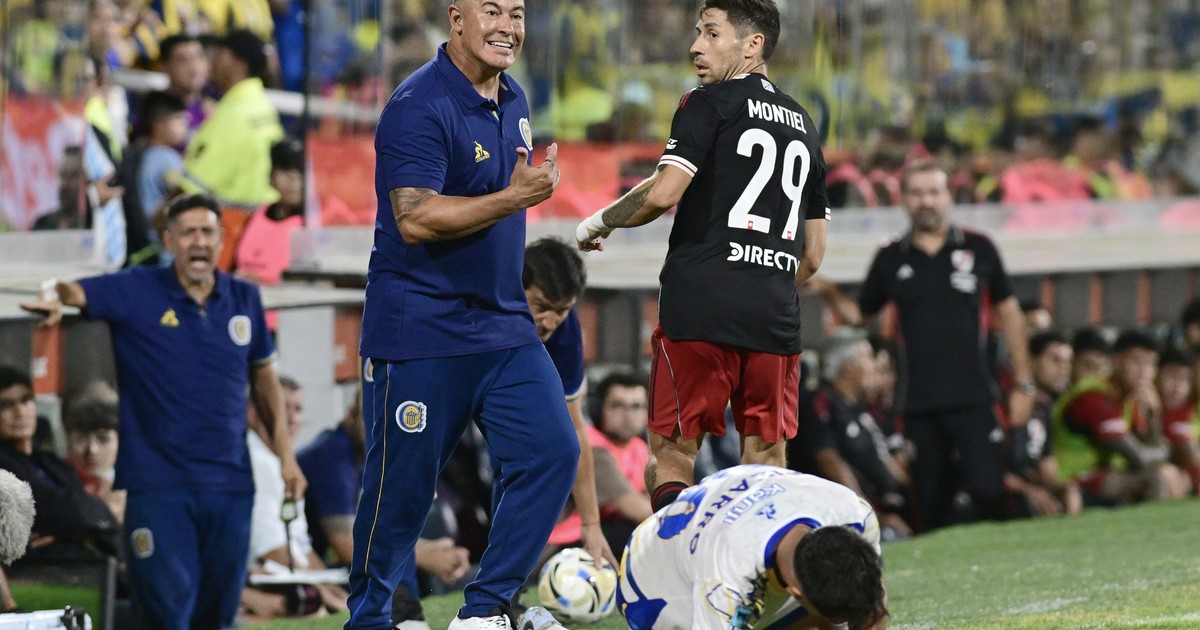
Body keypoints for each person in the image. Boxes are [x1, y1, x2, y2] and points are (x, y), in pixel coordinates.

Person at [350, 0, 576, 626]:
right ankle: (368, 619)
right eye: (492, 11)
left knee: (552, 451)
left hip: (502, 323)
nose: (508, 27)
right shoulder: (417, 104)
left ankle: (485, 610)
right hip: (420, 327)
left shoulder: (515, 99)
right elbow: (415, 218)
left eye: (518, 14)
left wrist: (513, 199)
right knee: (400, 493)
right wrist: (514, 197)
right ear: (456, 19)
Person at [574, 0, 830, 515]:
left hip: (700, 305)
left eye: (712, 33)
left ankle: (679, 555)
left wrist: (600, 221)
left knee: (672, 454)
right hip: (774, 315)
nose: (695, 46)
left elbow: (664, 192)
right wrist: (763, 282)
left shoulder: (706, 102)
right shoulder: (805, 125)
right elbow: (814, 254)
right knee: (767, 459)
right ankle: (754, 562)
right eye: (697, 32)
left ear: (752, 45)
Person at [19, 192, 306, 630]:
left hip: (230, 486)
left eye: (207, 232)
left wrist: (286, 457)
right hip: (158, 488)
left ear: (221, 239)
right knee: (168, 615)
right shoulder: (136, 289)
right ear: (168, 240)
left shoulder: (244, 298)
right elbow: (74, 289)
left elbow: (265, 381)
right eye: (187, 233)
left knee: (219, 617)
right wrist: (53, 295)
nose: (199, 242)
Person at [812, 159, 1034, 531]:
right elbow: (860, 314)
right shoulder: (890, 257)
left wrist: (1024, 383)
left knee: (990, 493)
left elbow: (1010, 314)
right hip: (918, 404)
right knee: (931, 508)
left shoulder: (979, 248)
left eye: (934, 192)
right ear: (903, 200)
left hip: (977, 397)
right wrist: (829, 289)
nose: (926, 201)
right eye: (916, 193)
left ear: (949, 196)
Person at [616, 464, 887, 630]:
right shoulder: (727, 580)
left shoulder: (854, 513)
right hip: (653, 582)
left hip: (722, 511)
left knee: (864, 611)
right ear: (796, 593)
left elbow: (871, 599)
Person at [297, 395, 471, 630]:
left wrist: (428, 548)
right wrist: (425, 556)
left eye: (388, 420)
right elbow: (346, 544)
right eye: (372, 417)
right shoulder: (331, 454)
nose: (379, 427)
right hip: (315, 573)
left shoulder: (368, 455)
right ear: (351, 414)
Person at [522, 237, 616, 569]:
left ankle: (505, 590)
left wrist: (590, 523)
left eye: (561, 310)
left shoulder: (565, 336)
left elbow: (574, 430)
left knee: (532, 457)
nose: (549, 321)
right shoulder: (483, 307)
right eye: (540, 306)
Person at [243, 376, 347, 622]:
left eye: (297, 409)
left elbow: (300, 546)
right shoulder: (255, 461)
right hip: (249, 580)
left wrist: (337, 593)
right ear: (251, 413)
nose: (290, 418)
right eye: (281, 407)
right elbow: (272, 551)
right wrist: (328, 596)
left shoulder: (280, 461)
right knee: (313, 610)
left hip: (280, 575)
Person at [794, 327, 912, 539]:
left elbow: (883, 458)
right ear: (848, 367)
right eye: (868, 358)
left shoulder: (858, 406)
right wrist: (869, 516)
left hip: (890, 509)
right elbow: (830, 462)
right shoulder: (820, 403)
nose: (873, 366)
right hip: (843, 519)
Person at [181, 28, 283, 271]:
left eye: (219, 54)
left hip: (230, 237)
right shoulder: (263, 108)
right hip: (262, 231)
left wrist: (158, 220)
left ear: (236, 62)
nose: (212, 61)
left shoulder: (233, 115)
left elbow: (192, 186)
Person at [0, 365, 121, 561]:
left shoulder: (51, 462)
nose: (20, 412)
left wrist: (68, 530)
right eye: (6, 405)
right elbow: (50, 508)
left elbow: (82, 513)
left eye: (26, 400)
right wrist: (95, 514)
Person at [1055, 330, 1190, 505]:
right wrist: (1165, 454)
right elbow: (1139, 457)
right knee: (1154, 478)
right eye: (1137, 362)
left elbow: (1149, 446)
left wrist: (1153, 415)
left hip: (1105, 474)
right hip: (1073, 477)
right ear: (1116, 361)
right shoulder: (1093, 396)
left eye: (1151, 365)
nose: (1144, 372)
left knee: (1168, 474)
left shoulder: (1130, 399)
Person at [1005, 332, 1082, 517]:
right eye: (1055, 360)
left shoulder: (1044, 407)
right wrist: (1028, 491)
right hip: (1003, 490)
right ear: (1031, 361)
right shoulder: (1006, 403)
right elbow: (989, 471)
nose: (1064, 369)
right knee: (1026, 504)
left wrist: (1065, 488)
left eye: (1068, 362)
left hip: (1026, 486)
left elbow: (1046, 465)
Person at [63, 385, 126, 525]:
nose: (92, 450)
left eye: (103, 439)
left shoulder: (137, 485)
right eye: (81, 439)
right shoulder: (52, 485)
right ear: (67, 439)